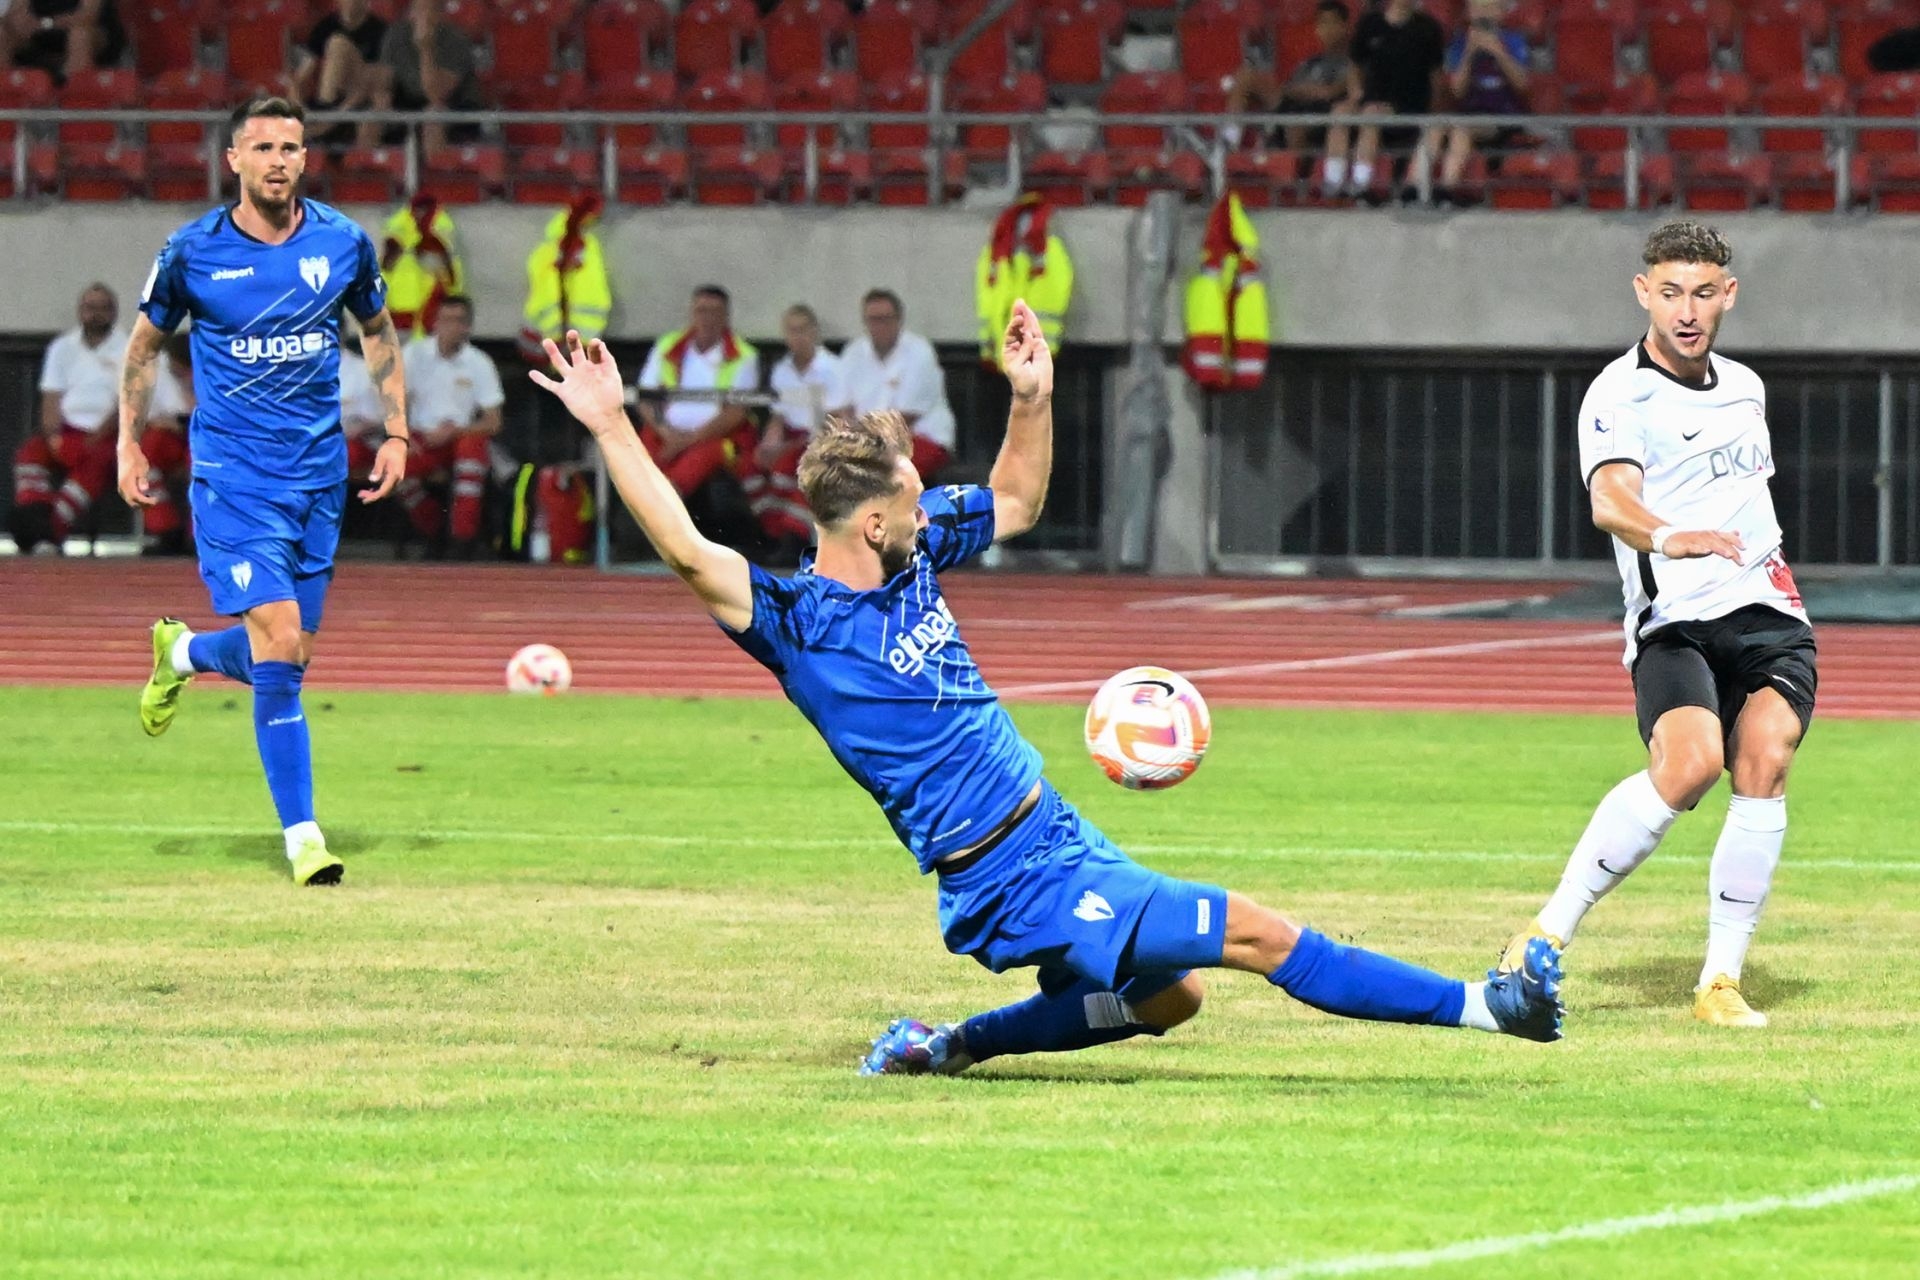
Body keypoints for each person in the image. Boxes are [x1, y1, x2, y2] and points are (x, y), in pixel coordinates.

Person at [526, 302, 1566, 1078]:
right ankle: (1491, 1006)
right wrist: (613, 424)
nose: (929, 510)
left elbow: (1016, 497)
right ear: (873, 524)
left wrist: (1033, 397)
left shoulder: (913, 553)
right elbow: (685, 547)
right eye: (912, 502)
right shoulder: (798, 623)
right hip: (1005, 874)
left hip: (1056, 830)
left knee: (1173, 998)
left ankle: (948, 1047)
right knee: (1261, 934)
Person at [1498, 222, 1814, 1030]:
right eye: (1670, 292)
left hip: (1768, 611)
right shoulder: (1618, 395)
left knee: (1766, 758)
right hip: (1674, 621)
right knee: (1690, 765)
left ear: (1727, 295)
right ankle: (1545, 932)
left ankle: (1720, 983)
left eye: (1703, 293)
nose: (1687, 311)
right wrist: (1672, 537)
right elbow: (1611, 500)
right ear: (1644, 293)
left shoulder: (1746, 388)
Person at [117, 96, 412, 888]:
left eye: (291, 147)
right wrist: (127, 441)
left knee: (289, 655)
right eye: (264, 147)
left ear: (305, 158)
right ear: (234, 160)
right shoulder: (192, 253)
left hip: (319, 478)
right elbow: (143, 349)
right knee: (278, 644)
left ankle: (182, 652)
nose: (279, 161)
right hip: (235, 482)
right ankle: (304, 838)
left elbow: (378, 330)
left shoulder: (342, 242)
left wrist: (396, 431)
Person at [8, 282, 123, 554]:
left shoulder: (129, 347)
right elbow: (51, 397)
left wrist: (97, 437)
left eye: (102, 308)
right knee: (30, 453)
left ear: (113, 312)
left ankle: (48, 531)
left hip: (107, 436)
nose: (95, 314)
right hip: (65, 432)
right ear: (80, 311)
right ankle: (35, 520)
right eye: (90, 308)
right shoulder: (62, 347)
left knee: (95, 465)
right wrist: (53, 437)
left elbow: (129, 404)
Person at [392, 293, 502, 556]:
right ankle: (434, 531)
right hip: (422, 436)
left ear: (468, 327)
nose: (452, 327)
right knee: (393, 469)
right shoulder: (414, 354)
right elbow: (394, 404)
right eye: (446, 320)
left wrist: (454, 432)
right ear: (435, 323)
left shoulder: (479, 363)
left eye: (459, 321)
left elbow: (493, 421)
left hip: (460, 437)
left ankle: (462, 540)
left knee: (472, 453)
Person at [740, 303, 851, 564]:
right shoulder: (783, 370)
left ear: (814, 332)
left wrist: (792, 447)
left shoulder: (833, 368)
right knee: (751, 465)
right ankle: (772, 534)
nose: (798, 337)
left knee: (795, 466)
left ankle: (795, 536)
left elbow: (839, 419)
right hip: (791, 438)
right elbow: (779, 417)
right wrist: (768, 446)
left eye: (803, 330)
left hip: (822, 440)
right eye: (792, 330)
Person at [636, 283, 760, 503]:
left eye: (715, 312)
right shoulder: (667, 346)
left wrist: (686, 441)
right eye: (701, 311)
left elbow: (736, 413)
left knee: (706, 456)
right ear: (692, 313)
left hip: (713, 437)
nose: (707, 318)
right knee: (637, 457)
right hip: (665, 432)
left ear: (726, 317)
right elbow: (645, 399)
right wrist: (667, 433)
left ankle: (667, 503)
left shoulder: (744, 356)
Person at [1323, 0, 1445, 200]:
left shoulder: (1428, 28)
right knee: (1340, 112)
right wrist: (1355, 94)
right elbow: (1355, 63)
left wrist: (1432, 111)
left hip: (1408, 106)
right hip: (1371, 99)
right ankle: (1333, 181)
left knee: (1371, 114)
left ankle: (1361, 183)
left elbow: (1436, 76)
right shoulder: (1370, 23)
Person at [839, 288, 956, 482]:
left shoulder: (919, 352)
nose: (880, 326)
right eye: (874, 320)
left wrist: (862, 442)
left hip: (920, 438)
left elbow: (904, 418)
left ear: (899, 320)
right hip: (869, 442)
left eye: (886, 319)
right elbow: (843, 407)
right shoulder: (853, 353)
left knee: (878, 478)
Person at [1221, 0, 1352, 158]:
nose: (1327, 29)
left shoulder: (1352, 61)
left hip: (1323, 116)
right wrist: (1298, 90)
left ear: (1345, 26)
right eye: (1322, 24)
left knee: (1294, 124)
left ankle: (1295, 169)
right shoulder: (1311, 61)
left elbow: (1329, 92)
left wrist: (1299, 90)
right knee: (1246, 75)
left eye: (1332, 23)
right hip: (1294, 107)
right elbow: (1289, 89)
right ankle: (1228, 144)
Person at [1434, 0, 1530, 205]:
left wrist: (1499, 52)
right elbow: (1457, 91)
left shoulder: (1514, 41)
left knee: (1462, 129)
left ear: (1501, 12)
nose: (1482, 13)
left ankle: (1446, 191)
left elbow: (1523, 86)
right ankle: (1413, 189)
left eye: (1489, 7)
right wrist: (1469, 52)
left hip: (1503, 117)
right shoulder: (1460, 44)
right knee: (1433, 127)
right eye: (1477, 8)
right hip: (1469, 112)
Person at [369, 0, 484, 152]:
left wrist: (426, 48)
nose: (426, 16)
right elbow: (384, 76)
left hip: (455, 106)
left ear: (442, 15)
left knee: (433, 118)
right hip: (409, 100)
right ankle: (366, 164)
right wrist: (382, 96)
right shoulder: (396, 34)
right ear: (410, 13)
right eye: (420, 10)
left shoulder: (457, 40)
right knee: (370, 119)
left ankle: (434, 166)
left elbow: (436, 95)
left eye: (432, 10)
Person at [288, 0, 388, 148]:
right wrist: (300, 110)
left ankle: (325, 115)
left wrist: (331, 119)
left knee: (338, 44)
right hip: (329, 101)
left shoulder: (380, 30)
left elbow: (372, 83)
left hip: (360, 98)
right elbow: (301, 76)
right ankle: (322, 113)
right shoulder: (325, 26)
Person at [137, 332, 195, 555]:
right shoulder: (158, 371)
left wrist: (189, 386)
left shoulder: (211, 370)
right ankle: (164, 529)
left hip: (202, 437)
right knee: (146, 452)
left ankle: (197, 534)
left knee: (201, 461)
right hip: (172, 436)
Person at [0, 0, 125, 82]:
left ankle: (77, 98)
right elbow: (15, 14)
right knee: (2, 33)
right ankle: (9, 94)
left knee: (79, 36)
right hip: (39, 32)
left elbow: (86, 16)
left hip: (93, 32)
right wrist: (19, 22)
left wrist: (46, 23)